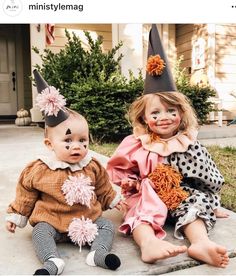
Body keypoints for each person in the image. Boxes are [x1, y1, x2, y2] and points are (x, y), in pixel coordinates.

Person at [107, 24, 229, 268]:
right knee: (139, 213)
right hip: (147, 193)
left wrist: (212, 204)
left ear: (181, 115)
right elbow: (123, 172)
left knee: (195, 205)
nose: (163, 117)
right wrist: (131, 182)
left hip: (181, 194)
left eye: (171, 111)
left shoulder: (186, 144)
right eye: (155, 112)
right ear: (143, 118)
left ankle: (200, 243)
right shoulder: (136, 144)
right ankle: (148, 244)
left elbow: (205, 178)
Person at [6, 70, 123, 275]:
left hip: (87, 222)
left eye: (82, 140)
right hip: (52, 220)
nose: (76, 146)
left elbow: (103, 187)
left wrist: (113, 199)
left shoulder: (92, 164)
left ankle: (98, 253)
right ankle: (52, 261)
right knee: (39, 232)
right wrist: (17, 215)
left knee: (106, 226)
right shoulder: (40, 169)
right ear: (49, 144)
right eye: (68, 141)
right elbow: (26, 195)